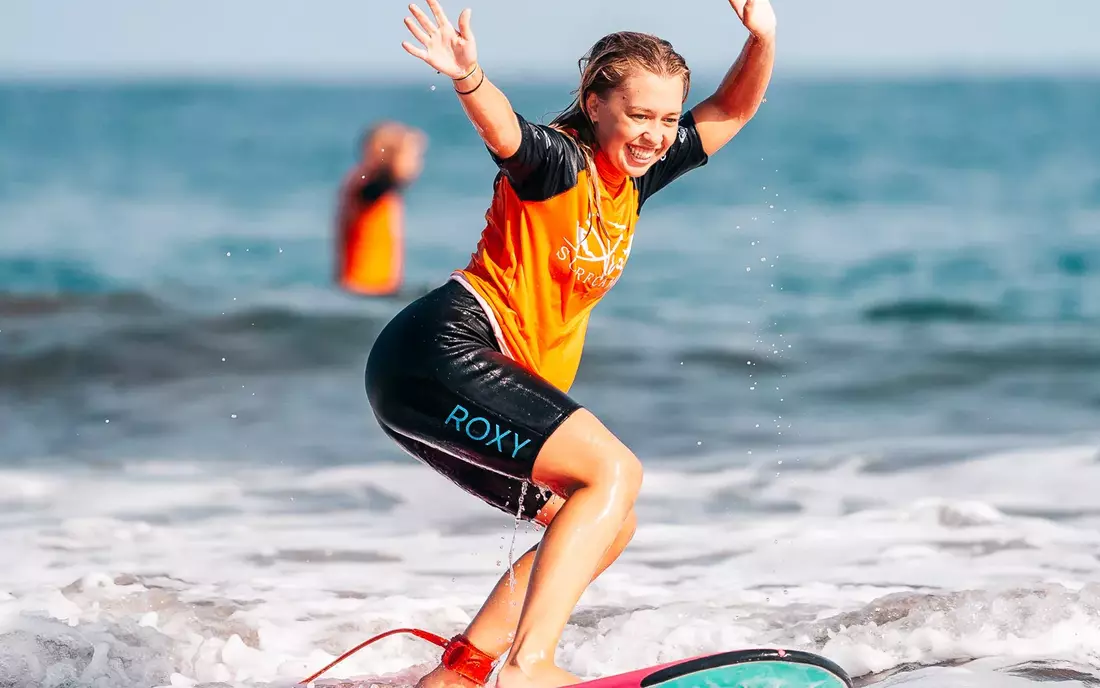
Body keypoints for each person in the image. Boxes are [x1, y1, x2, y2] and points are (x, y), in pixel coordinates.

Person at [365, 0, 775, 686]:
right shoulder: (560, 164)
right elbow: (507, 135)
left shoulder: (635, 178)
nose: (654, 134)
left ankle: (461, 674)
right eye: (638, 115)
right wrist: (469, 76)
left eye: (667, 119)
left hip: (442, 380)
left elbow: (731, 111)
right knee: (614, 474)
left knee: (606, 521)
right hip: (441, 356)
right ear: (594, 104)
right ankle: (529, 667)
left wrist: (763, 37)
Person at [335, 121, 426, 297]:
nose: (417, 164)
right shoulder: (366, 187)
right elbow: (384, 181)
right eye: (412, 156)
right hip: (364, 292)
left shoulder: (373, 189)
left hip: (374, 290)